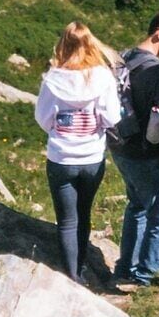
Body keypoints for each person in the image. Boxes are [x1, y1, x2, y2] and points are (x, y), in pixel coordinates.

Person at [33, 22, 120, 291]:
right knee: (84, 213)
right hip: (92, 156)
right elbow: (112, 117)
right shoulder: (103, 77)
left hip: (61, 157)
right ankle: (82, 269)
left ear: (64, 45)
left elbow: (43, 118)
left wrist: (60, 129)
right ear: (91, 45)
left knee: (67, 219)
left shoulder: (53, 78)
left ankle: (72, 276)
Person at [110, 11, 159, 288]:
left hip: (119, 145)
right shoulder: (155, 68)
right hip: (146, 149)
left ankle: (125, 267)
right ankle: (147, 275)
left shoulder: (122, 57)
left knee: (136, 206)